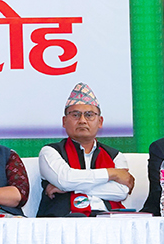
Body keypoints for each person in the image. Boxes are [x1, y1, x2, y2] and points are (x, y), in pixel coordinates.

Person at [37, 83, 135, 217]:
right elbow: (65, 180)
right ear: (64, 121)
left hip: (107, 219)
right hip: (63, 220)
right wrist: (111, 173)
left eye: (89, 115)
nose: (82, 120)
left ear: (100, 122)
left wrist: (71, 187)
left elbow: (121, 192)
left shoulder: (115, 156)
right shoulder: (50, 152)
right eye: (75, 115)